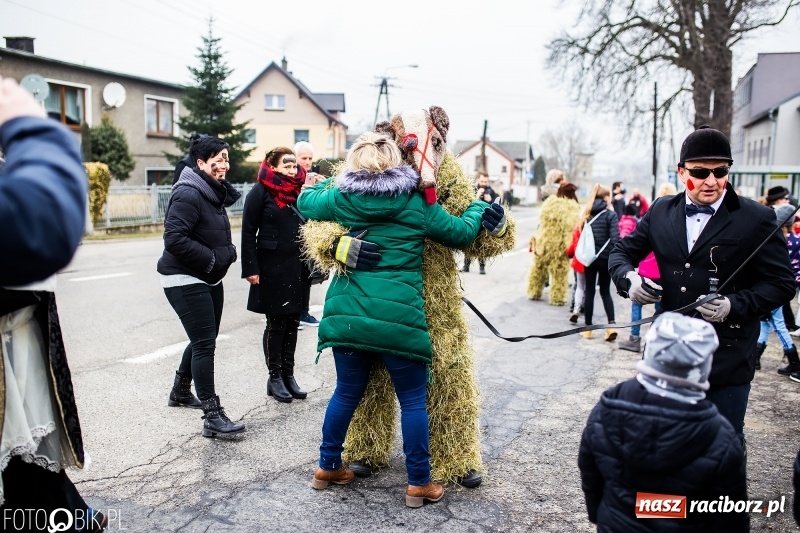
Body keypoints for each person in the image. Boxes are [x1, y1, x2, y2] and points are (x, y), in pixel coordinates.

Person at [298, 132, 505, 507]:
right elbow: (460, 233)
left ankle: (327, 466)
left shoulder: (342, 197)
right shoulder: (415, 203)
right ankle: (419, 483)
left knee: (345, 393)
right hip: (400, 321)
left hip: (348, 318)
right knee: (413, 400)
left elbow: (305, 202)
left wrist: (332, 180)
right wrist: (476, 207)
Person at [608, 125, 796, 445]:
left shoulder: (757, 218)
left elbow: (782, 282)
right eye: (700, 172)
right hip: (668, 357)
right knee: (666, 444)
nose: (711, 181)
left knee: (721, 447)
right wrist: (629, 279)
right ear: (682, 173)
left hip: (728, 358)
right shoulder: (660, 211)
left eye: (720, 171)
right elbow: (621, 251)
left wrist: (735, 305)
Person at [0, 76, 107, 531]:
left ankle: (65, 512)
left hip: (19, 329)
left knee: (27, 449)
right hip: (11, 333)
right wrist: (25, 122)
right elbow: (40, 226)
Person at [578, 313, 748, 532]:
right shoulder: (721, 438)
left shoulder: (608, 408)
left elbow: (590, 468)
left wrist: (597, 513)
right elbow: (729, 514)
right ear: (705, 364)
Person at [157, 135, 245, 438]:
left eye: (226, 158)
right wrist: (212, 259)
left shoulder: (210, 191)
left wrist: (225, 255)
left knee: (203, 338)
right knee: (206, 343)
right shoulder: (189, 192)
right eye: (217, 159)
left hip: (208, 277)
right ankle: (212, 414)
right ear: (200, 163)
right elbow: (174, 239)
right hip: (184, 277)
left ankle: (181, 390)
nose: (224, 164)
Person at [241, 147, 318, 403]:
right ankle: (275, 377)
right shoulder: (260, 191)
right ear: (272, 167)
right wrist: (250, 268)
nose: (292, 171)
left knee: (293, 322)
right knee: (276, 323)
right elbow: (248, 231)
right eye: (287, 166)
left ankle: (288, 375)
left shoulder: (298, 191)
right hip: (270, 266)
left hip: (297, 265)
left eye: (294, 166)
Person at [617, 182, 677, 353]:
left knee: (637, 304)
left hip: (647, 269)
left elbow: (636, 242)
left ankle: (634, 338)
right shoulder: (679, 222)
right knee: (661, 308)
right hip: (664, 272)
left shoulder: (652, 217)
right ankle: (654, 340)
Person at [753, 204, 800, 374]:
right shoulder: (788, 239)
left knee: (778, 325)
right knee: (765, 323)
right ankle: (756, 358)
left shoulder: (780, 240)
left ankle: (794, 361)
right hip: (773, 287)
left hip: (773, 287)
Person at [527, 181, 580, 304]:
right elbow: (570, 229)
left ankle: (534, 291)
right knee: (559, 272)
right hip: (558, 245)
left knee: (539, 268)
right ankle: (557, 298)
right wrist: (570, 248)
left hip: (543, 241)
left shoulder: (549, 203)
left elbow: (541, 221)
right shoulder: (570, 206)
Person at [578, 184, 620, 341]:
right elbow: (616, 239)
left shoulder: (587, 214)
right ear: (607, 197)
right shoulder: (611, 215)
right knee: (605, 292)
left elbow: (583, 237)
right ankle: (611, 326)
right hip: (606, 259)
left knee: (590, 291)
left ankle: (588, 329)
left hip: (590, 259)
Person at [293, 141, 322, 329]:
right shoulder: (290, 178)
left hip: (309, 232)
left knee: (307, 275)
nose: (308, 162)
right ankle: (295, 314)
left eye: (310, 158)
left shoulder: (314, 178)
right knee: (295, 276)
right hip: (293, 233)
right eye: (304, 158)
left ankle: (303, 312)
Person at [765, 186, 799, 334]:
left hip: (779, 275)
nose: (787, 200)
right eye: (785, 198)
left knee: (774, 316)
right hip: (773, 274)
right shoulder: (767, 216)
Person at [462, 172, 499, 274]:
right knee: (469, 242)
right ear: (478, 180)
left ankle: (482, 268)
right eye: (482, 181)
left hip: (484, 221)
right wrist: (477, 195)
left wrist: (490, 201)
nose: (484, 183)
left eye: (486, 181)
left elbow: (496, 207)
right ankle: (466, 265)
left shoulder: (491, 191)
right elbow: (467, 202)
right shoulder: (472, 189)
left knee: (482, 245)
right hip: (472, 219)